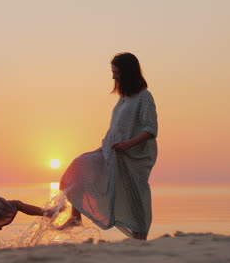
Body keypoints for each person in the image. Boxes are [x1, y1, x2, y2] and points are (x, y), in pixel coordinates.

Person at [59, 52, 158, 240]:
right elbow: (115, 128)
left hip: (134, 156)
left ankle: (140, 238)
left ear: (128, 73)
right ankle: (75, 217)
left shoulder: (144, 97)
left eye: (117, 72)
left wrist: (128, 144)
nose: (113, 76)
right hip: (112, 152)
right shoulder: (123, 98)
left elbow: (151, 129)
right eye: (113, 72)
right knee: (78, 165)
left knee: (135, 196)